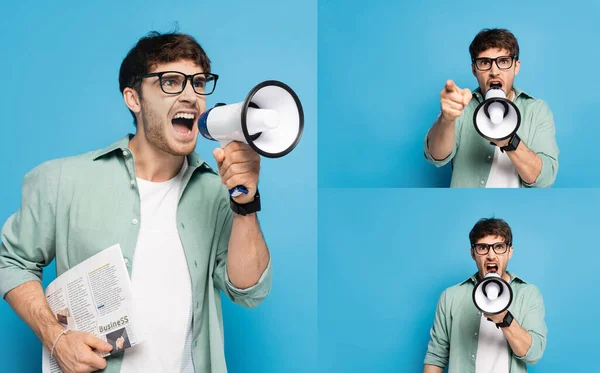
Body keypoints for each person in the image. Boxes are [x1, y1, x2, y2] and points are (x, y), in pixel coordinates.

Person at [0, 31, 272, 373]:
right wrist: (55, 337)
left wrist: (245, 202)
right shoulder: (63, 180)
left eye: (199, 83)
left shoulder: (217, 191)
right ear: (133, 98)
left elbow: (248, 291)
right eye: (171, 81)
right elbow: (10, 261)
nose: (191, 96)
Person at [424, 28, 559, 188]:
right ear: (474, 69)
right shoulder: (461, 104)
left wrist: (510, 141)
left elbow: (544, 179)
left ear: (516, 66)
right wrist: (446, 119)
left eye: (503, 61)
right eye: (485, 62)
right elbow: (436, 157)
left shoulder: (537, 110)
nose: (494, 72)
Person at [423, 218, 547, 372]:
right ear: (473, 253)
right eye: (482, 247)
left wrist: (504, 318)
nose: (491, 255)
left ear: (510, 252)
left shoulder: (528, 294)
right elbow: (435, 357)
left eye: (499, 247)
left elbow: (533, 354)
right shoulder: (450, 296)